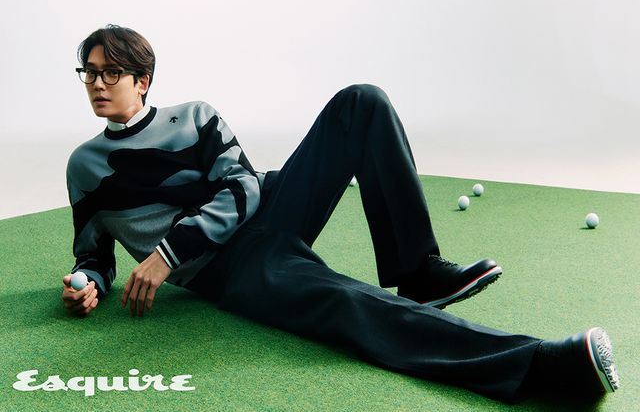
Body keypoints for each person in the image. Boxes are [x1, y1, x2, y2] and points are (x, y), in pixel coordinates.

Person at [61, 24, 619, 403]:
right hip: (227, 268)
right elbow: (94, 254)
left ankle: (417, 270)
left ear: (142, 81)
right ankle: (542, 366)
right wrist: (88, 284)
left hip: (270, 204)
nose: (98, 84)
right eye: (89, 72)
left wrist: (166, 252)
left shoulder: (195, 117)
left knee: (361, 100)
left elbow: (242, 186)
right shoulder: (85, 167)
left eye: (112, 73)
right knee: (347, 302)